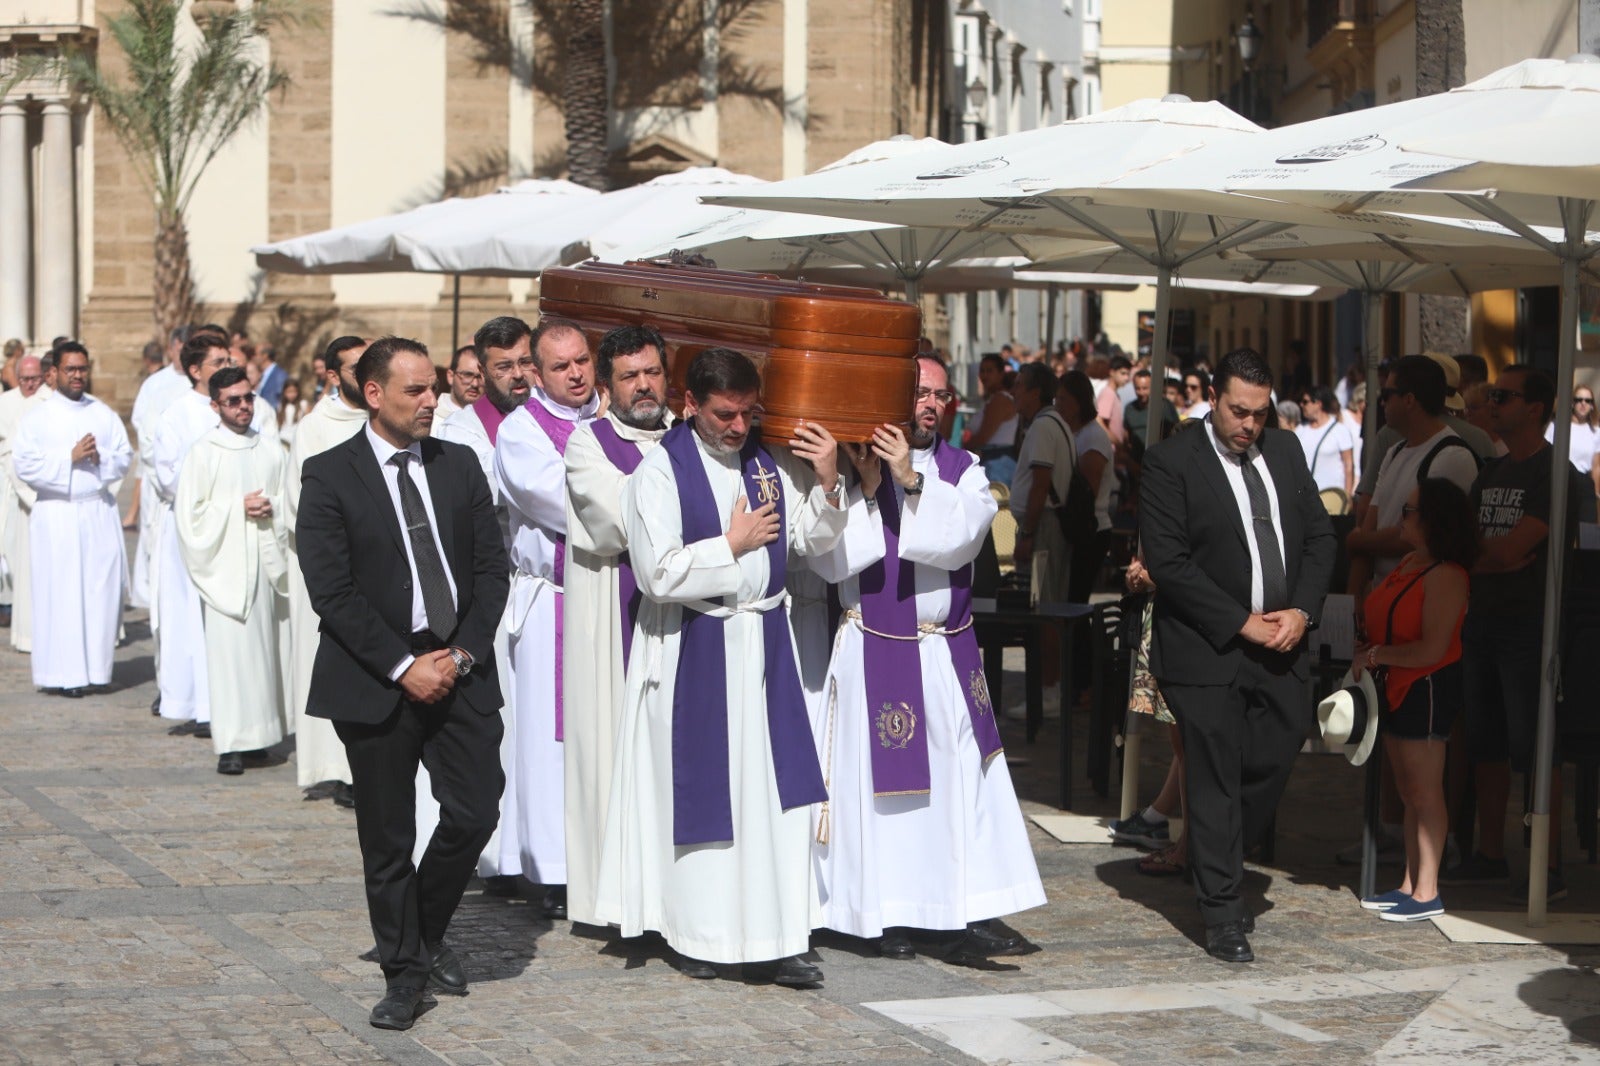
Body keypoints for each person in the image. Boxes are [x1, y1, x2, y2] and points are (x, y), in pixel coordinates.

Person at [594, 347, 845, 986]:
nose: (738, 427)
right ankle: (700, 934)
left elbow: (808, 546)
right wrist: (729, 545)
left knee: (774, 797)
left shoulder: (765, 466)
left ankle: (779, 934)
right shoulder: (658, 472)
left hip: (764, 644)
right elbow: (655, 574)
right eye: (724, 415)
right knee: (704, 795)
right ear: (691, 406)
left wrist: (827, 486)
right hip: (694, 646)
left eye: (747, 413)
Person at [297, 336, 510, 1031]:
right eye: (416, 390)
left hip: (461, 668)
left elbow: (491, 571)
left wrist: (463, 656)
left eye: (435, 389)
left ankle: (420, 931)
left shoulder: (460, 464)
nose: (431, 401)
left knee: (475, 811)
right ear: (373, 393)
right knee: (387, 839)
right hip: (376, 679)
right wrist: (402, 666)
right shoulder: (329, 475)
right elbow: (331, 590)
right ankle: (403, 973)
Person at [809, 354, 1045, 962]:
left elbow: (963, 536)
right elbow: (832, 561)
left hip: (944, 650)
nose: (928, 405)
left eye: (939, 395)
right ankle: (880, 914)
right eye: (917, 393)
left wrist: (911, 481)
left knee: (959, 785)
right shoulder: (858, 464)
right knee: (883, 795)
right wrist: (865, 487)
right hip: (874, 648)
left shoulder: (963, 470)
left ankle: (959, 907)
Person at [1139, 347, 1337, 963]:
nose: (1249, 424)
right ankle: (1223, 911)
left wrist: (1302, 612)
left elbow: (1320, 537)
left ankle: (1212, 851)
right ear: (1214, 401)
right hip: (1206, 648)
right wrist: (1240, 622)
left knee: (1273, 762)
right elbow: (1169, 563)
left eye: (1259, 412)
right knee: (1215, 773)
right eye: (1238, 411)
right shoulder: (1171, 461)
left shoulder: (1282, 450)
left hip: (1283, 645)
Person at [1443, 366, 1593, 903]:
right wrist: (1492, 560)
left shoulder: (1556, 475)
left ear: (1535, 407)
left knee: (1535, 748)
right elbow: (1469, 546)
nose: (1490, 404)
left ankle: (1546, 866)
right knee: (1485, 744)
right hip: (1481, 621)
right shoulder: (1493, 470)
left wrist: (1492, 557)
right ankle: (1489, 853)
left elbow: (1508, 550)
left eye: (1501, 396)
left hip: (1531, 628)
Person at [561, 323, 672, 928]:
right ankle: (622, 905)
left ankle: (676, 903)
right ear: (607, 385)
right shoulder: (588, 444)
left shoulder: (691, 435)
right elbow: (624, 522)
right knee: (616, 760)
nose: (643, 385)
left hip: (686, 622)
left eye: (652, 372)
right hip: (617, 620)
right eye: (629, 377)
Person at [491, 319, 599, 916]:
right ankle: (552, 867)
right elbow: (566, 504)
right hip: (551, 598)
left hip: (610, 597)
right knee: (548, 738)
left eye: (582, 360)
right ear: (536, 371)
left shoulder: (610, 420)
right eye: (561, 367)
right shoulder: (521, 431)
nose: (577, 373)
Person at [431, 316, 535, 894]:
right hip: (501, 588)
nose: (518, 375)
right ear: (481, 370)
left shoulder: (549, 417)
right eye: (504, 366)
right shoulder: (464, 432)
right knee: (508, 725)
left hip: (543, 588)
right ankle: (502, 856)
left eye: (525, 362)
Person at [1353, 478, 1474, 922]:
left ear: (1431, 520)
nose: (1401, 517)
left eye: (1409, 510)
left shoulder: (1446, 575)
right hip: (1396, 684)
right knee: (1408, 790)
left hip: (1424, 686)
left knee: (1424, 790)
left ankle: (1427, 891)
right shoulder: (1409, 562)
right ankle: (1411, 882)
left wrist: (1376, 655)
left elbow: (1432, 648)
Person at [175, 368, 292, 776]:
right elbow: (189, 517)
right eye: (233, 401)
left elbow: (291, 500)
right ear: (215, 405)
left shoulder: (271, 448)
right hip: (226, 568)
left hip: (266, 563)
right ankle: (230, 744)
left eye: (248, 398)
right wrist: (235, 509)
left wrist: (273, 507)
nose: (243, 407)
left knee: (265, 654)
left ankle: (259, 737)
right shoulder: (203, 452)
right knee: (230, 659)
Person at [12, 344, 132, 697]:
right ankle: (64, 674)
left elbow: (124, 456)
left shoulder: (103, 413)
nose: (78, 375)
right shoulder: (38, 417)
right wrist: (69, 457)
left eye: (82, 369)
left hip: (96, 510)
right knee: (61, 593)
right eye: (70, 369)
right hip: (57, 513)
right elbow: (25, 465)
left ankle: (97, 669)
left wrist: (98, 458)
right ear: (55, 373)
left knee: (100, 593)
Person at [285, 336, 369, 806]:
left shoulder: (384, 417)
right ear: (333, 376)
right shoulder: (313, 428)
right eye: (356, 367)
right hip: (333, 565)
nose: (366, 373)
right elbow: (302, 502)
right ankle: (332, 767)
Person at [1347, 356, 1480, 599]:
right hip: (1383, 600)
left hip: (1422, 604)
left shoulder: (1452, 456)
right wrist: (1352, 599)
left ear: (1409, 400)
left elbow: (1419, 536)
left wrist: (1359, 541)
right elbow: (1372, 523)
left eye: (1387, 394)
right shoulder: (1394, 452)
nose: (1382, 402)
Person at [1009, 363, 1076, 711]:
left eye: (1020, 385)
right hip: (1046, 524)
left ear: (1036, 392)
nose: (1014, 392)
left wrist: (1029, 533)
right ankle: (1049, 686)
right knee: (1044, 604)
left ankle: (1050, 689)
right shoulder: (1052, 425)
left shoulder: (1043, 428)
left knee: (1043, 606)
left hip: (1045, 526)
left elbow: (1040, 484)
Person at [130, 326, 198, 613]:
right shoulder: (156, 385)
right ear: (171, 348)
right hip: (158, 476)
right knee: (152, 535)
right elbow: (141, 425)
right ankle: (149, 595)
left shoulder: (203, 385)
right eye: (180, 348)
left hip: (192, 478)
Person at [1059, 370, 1114, 693]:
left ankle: (1087, 683)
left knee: (1076, 605)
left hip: (1091, 530)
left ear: (1079, 402)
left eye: (1063, 399)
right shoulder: (1074, 433)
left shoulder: (1093, 437)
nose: (1058, 405)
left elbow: (1088, 490)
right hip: (1080, 531)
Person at [0, 355, 50, 650]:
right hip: (8, 481)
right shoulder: (6, 402)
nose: (30, 385)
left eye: (35, 379)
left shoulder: (48, 402)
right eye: (25, 380)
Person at [967, 353, 1019, 485]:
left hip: (998, 463)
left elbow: (983, 437)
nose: (984, 375)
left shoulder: (1000, 399)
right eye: (982, 371)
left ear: (1001, 374)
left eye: (990, 371)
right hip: (992, 460)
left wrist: (961, 449)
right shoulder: (993, 398)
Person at [1294, 385, 1355, 496]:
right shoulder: (1300, 430)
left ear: (1318, 404)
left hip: (1332, 498)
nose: (1301, 405)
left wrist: (1348, 496)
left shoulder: (1340, 430)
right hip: (1307, 498)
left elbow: (1348, 465)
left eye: (1305, 401)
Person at [1545, 382, 1600, 499]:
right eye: (1579, 400)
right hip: (1558, 484)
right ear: (1572, 403)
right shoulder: (1555, 427)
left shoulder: (1596, 432)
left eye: (1588, 400)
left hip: (1584, 488)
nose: (1583, 403)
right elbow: (1545, 456)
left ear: (1592, 406)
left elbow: (1596, 467)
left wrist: (1596, 494)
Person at [434, 344, 482, 422]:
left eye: (480, 377)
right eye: (467, 375)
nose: (475, 384)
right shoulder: (432, 421)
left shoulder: (495, 420)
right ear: (451, 376)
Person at [1096, 353, 1132, 445]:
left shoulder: (1114, 394)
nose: (1126, 378)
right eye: (1123, 373)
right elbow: (1098, 421)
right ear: (1112, 372)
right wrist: (1116, 442)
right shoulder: (1108, 393)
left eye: (1128, 374)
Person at [256, 344, 287, 410]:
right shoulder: (262, 375)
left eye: (255, 354)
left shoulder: (279, 375)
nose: (253, 357)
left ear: (265, 356)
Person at [277, 379, 308, 444]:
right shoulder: (281, 406)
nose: (291, 395)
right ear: (284, 392)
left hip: (296, 439)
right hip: (283, 438)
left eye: (294, 392)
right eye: (289, 392)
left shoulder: (303, 404)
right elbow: (279, 423)